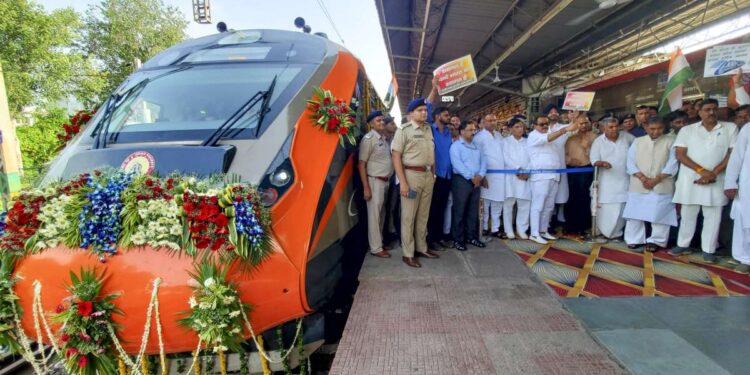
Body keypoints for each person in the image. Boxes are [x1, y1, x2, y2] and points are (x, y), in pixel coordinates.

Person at [670, 99, 738, 263]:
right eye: (707, 109)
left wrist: (713, 173)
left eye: (714, 109)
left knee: (713, 216)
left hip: (716, 180)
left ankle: (708, 250)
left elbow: (732, 153)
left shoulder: (730, 128)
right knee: (688, 214)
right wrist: (702, 171)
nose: (711, 112)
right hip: (691, 180)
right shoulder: (687, 130)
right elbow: (680, 154)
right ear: (699, 112)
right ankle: (683, 244)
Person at [391, 98, 440, 268]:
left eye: (425, 110)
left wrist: (433, 175)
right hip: (411, 175)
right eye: (420, 110)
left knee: (423, 215)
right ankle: (408, 253)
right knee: (408, 217)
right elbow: (396, 157)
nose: (424, 113)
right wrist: (403, 183)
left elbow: (431, 154)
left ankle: (421, 247)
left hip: (427, 176)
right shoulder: (403, 130)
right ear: (410, 113)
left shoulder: (428, 129)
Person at [623, 117, 679, 251]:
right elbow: (630, 163)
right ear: (646, 128)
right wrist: (642, 178)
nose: (656, 131)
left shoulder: (671, 141)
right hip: (639, 183)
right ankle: (634, 239)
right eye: (652, 129)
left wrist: (656, 180)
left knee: (660, 213)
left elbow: (673, 164)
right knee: (634, 213)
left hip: (662, 183)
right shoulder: (638, 141)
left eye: (659, 128)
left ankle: (657, 240)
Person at [526, 115, 580, 244]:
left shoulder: (551, 133)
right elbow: (550, 137)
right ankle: (534, 233)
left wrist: (575, 118)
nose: (545, 126)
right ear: (534, 126)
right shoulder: (533, 136)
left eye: (546, 124)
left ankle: (543, 230)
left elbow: (570, 130)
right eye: (541, 124)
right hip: (540, 176)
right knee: (538, 205)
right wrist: (565, 129)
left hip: (554, 175)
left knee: (549, 206)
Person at [358, 111, 394, 258]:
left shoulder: (383, 138)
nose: (382, 123)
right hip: (374, 181)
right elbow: (361, 165)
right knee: (374, 216)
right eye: (378, 121)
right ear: (371, 124)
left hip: (385, 182)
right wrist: (366, 187)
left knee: (381, 214)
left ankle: (379, 242)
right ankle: (376, 248)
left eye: (382, 121)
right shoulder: (369, 139)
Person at [590, 118, 633, 240]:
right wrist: (602, 163)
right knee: (606, 207)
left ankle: (616, 233)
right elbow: (593, 160)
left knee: (621, 207)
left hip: (625, 178)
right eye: (611, 127)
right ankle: (603, 231)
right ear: (604, 128)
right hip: (606, 181)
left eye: (616, 126)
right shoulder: (598, 141)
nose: (615, 129)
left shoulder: (628, 137)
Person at [449, 121, 487, 251]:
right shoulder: (456, 146)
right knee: (460, 211)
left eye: (474, 129)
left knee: (473, 211)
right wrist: (472, 177)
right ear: (462, 132)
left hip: (476, 180)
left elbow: (483, 162)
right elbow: (457, 164)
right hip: (462, 181)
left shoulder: (477, 146)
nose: (473, 132)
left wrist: (480, 176)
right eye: (470, 130)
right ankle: (458, 239)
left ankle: (472, 237)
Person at [425, 84, 453, 251]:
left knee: (442, 208)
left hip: (447, 176)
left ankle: (439, 237)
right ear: (436, 117)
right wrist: (434, 89)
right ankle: (430, 239)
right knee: (432, 209)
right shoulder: (430, 129)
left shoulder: (449, 132)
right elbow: (427, 107)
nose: (448, 117)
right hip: (435, 175)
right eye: (445, 114)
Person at [564, 114, 597, 236]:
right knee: (571, 196)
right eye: (580, 123)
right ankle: (570, 225)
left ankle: (583, 225)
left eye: (585, 123)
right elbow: (564, 153)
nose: (583, 126)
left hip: (586, 170)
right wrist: (570, 160)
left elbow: (596, 156)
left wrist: (585, 148)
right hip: (571, 170)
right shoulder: (570, 138)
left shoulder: (594, 137)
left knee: (584, 197)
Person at [725, 122, 750, 274]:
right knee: (744, 222)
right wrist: (730, 182)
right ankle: (745, 258)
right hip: (748, 185)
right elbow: (737, 157)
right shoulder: (748, 128)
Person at [475, 113, 505, 238]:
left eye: (494, 120)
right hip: (487, 174)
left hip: (500, 175)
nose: (492, 122)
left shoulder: (499, 136)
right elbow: (477, 157)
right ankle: (485, 227)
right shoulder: (478, 137)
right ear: (483, 123)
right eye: (489, 120)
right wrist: (482, 176)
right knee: (485, 202)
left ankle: (495, 228)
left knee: (498, 202)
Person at [503, 117, 531, 239]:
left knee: (524, 203)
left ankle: (522, 229)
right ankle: (508, 230)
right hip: (510, 176)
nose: (520, 129)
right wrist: (517, 169)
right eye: (517, 127)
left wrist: (527, 172)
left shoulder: (528, 142)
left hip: (525, 177)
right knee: (509, 203)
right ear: (510, 129)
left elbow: (532, 158)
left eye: (522, 127)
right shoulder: (505, 142)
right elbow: (505, 158)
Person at [543, 104, 570, 227]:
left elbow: (574, 126)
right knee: (547, 192)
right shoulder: (541, 129)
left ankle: (560, 212)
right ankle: (549, 216)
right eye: (551, 112)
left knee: (561, 190)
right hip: (546, 165)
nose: (554, 114)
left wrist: (576, 114)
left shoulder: (563, 127)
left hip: (560, 162)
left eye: (555, 112)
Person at [382, 116, 399, 245]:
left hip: (394, 178)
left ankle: (390, 231)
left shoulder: (395, 139)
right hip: (382, 178)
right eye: (392, 124)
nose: (394, 126)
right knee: (383, 208)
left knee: (392, 206)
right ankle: (384, 236)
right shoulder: (379, 140)